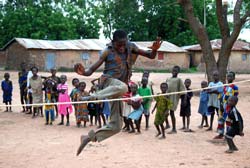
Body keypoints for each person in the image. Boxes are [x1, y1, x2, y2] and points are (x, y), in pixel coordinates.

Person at [75, 29, 162, 156]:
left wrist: (154, 49)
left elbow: (151, 56)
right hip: (108, 83)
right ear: (113, 42)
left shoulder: (130, 47)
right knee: (124, 87)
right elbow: (91, 70)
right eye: (119, 45)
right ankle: (93, 97)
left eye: (123, 44)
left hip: (118, 88)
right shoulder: (107, 51)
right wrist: (83, 72)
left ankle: (88, 138)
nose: (122, 47)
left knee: (117, 126)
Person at [214, 71, 239, 139]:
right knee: (220, 120)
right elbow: (221, 96)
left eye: (230, 76)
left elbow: (235, 98)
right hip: (222, 106)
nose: (229, 77)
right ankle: (221, 134)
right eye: (228, 76)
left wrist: (231, 106)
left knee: (228, 121)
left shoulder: (235, 87)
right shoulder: (224, 86)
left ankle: (227, 135)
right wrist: (221, 105)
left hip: (229, 107)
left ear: (234, 78)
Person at [166, 66, 186, 134]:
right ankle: (167, 124)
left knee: (172, 113)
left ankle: (174, 129)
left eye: (176, 71)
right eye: (173, 70)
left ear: (178, 72)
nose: (174, 72)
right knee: (165, 112)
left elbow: (183, 91)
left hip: (173, 99)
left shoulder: (179, 80)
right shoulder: (168, 79)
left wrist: (183, 100)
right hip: (167, 98)